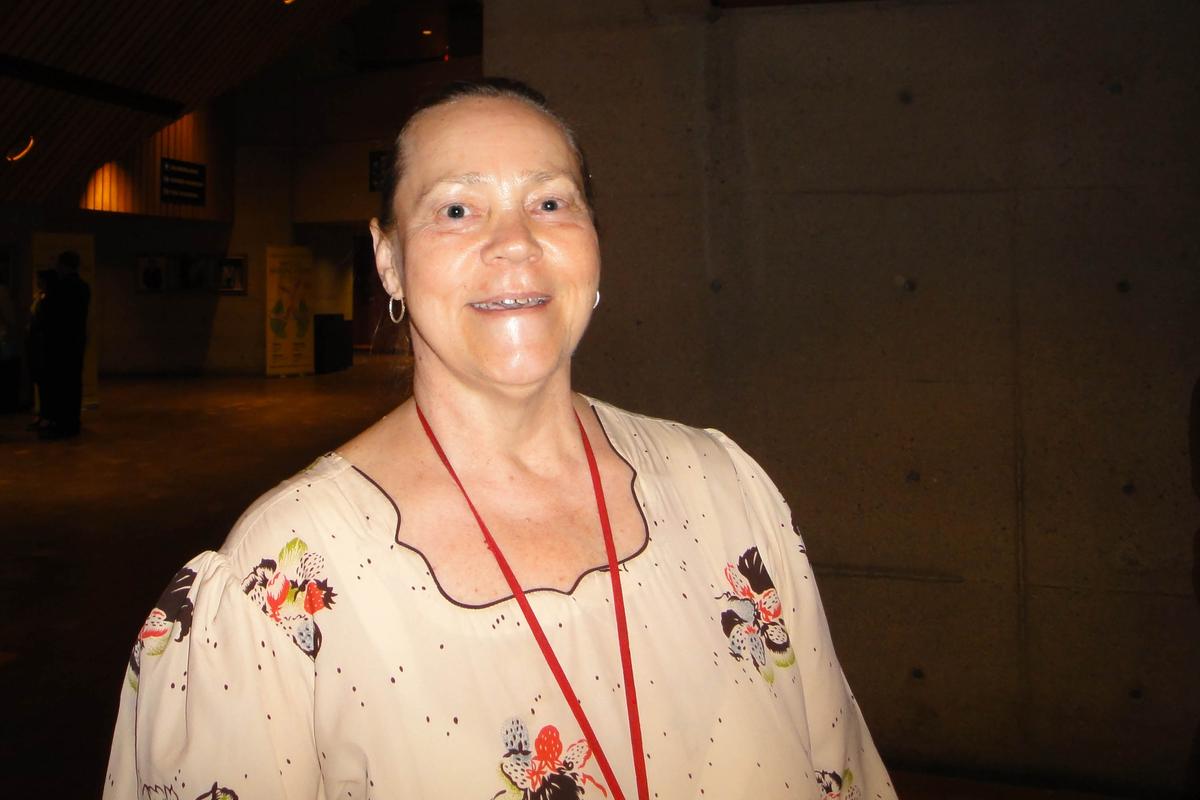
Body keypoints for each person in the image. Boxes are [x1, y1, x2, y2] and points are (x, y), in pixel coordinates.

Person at [103, 78, 896, 800]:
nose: (515, 242)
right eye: (456, 209)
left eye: (551, 203)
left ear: (594, 247)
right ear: (389, 262)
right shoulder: (278, 580)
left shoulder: (725, 490)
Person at [38, 250, 90, 439]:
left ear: (64, 266)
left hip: (58, 343)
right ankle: (72, 420)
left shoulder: (59, 289)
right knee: (74, 381)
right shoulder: (84, 287)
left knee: (59, 382)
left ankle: (62, 421)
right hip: (76, 341)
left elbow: (49, 314)